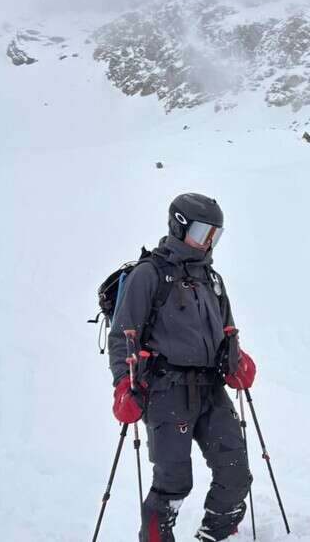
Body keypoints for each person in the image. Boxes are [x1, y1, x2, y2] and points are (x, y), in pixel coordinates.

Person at [109, 193, 256, 542]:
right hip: (166, 390)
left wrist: (238, 360)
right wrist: (121, 384)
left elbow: (226, 332)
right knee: (173, 483)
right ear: (179, 226)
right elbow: (122, 336)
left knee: (236, 473)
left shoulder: (212, 280)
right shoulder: (150, 275)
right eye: (203, 232)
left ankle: (215, 536)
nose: (208, 242)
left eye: (214, 235)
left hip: (210, 388)